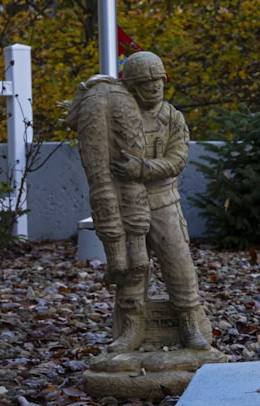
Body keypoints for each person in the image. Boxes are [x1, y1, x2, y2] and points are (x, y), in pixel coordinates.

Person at [68, 52, 210, 351]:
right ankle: (131, 326)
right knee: (132, 268)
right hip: (124, 203)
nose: (155, 88)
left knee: (178, 262)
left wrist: (141, 168)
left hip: (163, 204)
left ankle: (189, 322)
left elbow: (177, 159)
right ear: (132, 86)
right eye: (146, 83)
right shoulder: (116, 111)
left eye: (158, 81)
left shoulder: (172, 118)